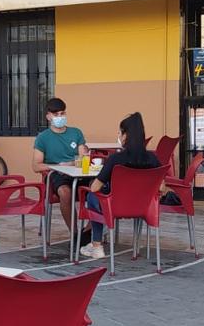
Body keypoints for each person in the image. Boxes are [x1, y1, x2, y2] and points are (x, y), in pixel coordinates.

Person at [78, 113, 162, 260]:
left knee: (92, 195)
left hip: (115, 207)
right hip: (143, 207)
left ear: (125, 135)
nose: (119, 135)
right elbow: (161, 187)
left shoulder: (115, 159)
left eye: (120, 132)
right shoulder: (153, 158)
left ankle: (97, 245)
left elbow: (96, 187)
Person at [32, 97, 88, 234]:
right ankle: (75, 233)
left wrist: (71, 163)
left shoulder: (76, 133)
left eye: (62, 113)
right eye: (56, 114)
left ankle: (89, 231)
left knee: (100, 187)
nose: (60, 117)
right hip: (55, 174)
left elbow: (83, 156)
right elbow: (36, 166)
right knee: (65, 192)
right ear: (48, 116)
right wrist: (57, 166)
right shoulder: (43, 138)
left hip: (77, 172)